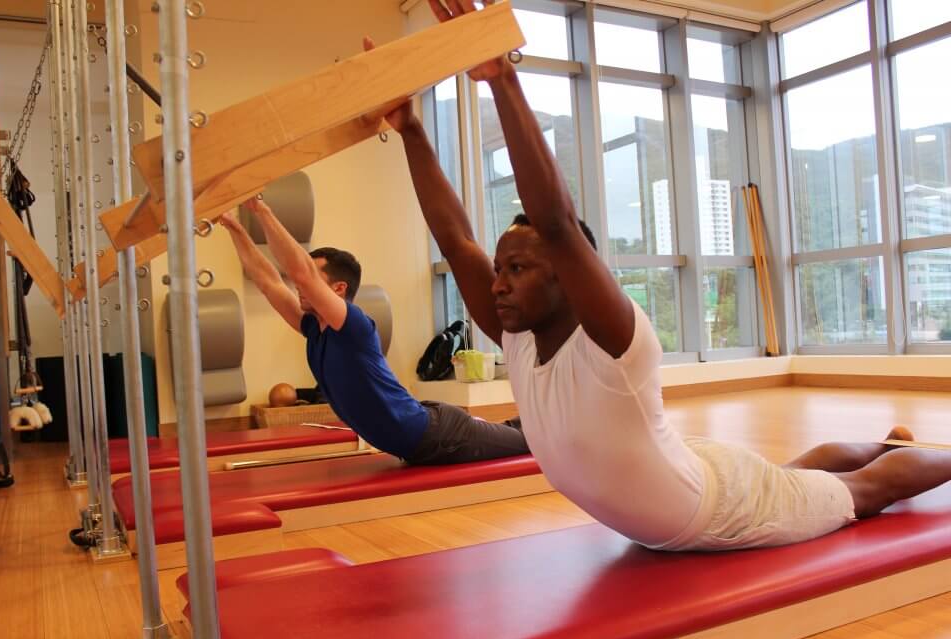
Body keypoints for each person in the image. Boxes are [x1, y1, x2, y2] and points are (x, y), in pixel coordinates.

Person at [382, 0, 951, 549]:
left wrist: (503, 81)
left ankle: (909, 455)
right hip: (692, 472)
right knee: (790, 478)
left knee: (862, 492)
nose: (498, 283)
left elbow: (557, 224)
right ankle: (884, 443)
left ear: (567, 278)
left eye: (518, 269)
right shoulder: (520, 339)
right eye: (500, 268)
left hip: (715, 511)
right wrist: (411, 129)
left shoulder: (612, 343)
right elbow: (456, 241)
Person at [218, 197, 529, 466]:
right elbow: (268, 281)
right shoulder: (313, 328)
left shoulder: (352, 325)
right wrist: (233, 225)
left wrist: (260, 209)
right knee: (515, 434)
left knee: (530, 444)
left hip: (437, 437)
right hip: (425, 429)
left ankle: (567, 422)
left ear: (339, 289)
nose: (298, 285)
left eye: (312, 280)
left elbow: (299, 270)